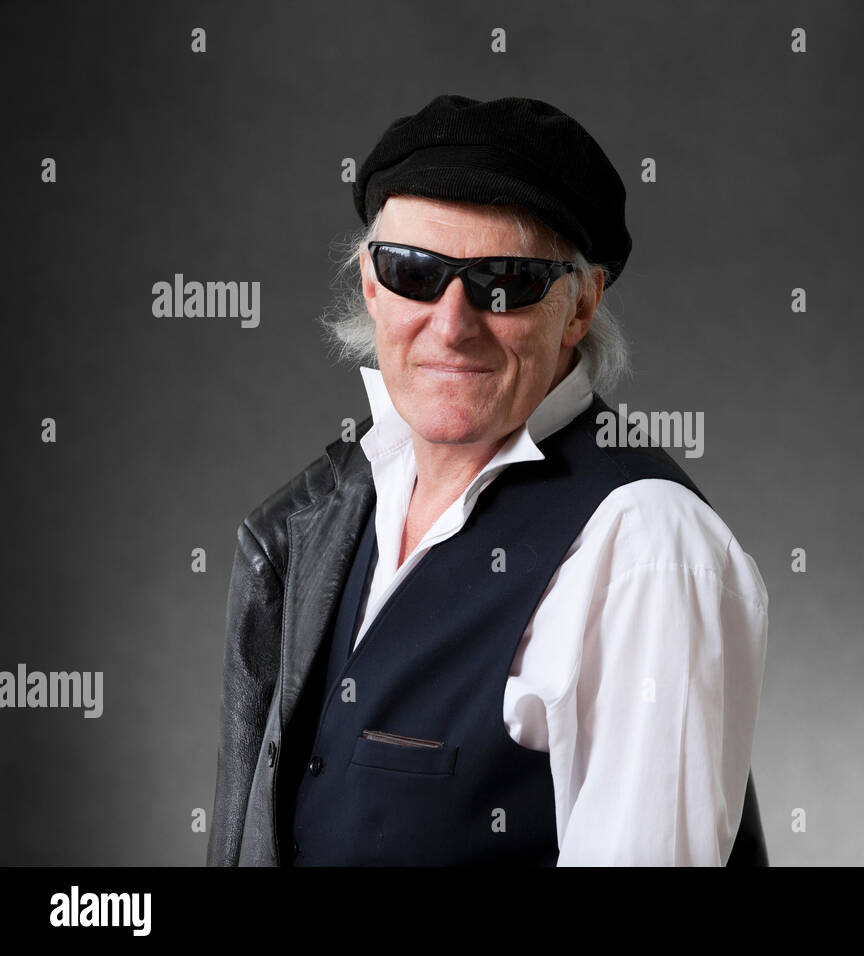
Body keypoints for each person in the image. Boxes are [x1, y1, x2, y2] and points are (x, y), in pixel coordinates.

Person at [206, 93, 769, 866]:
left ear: (579, 306)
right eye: (413, 272)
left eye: (505, 280)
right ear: (371, 285)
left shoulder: (646, 549)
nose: (452, 322)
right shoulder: (330, 511)